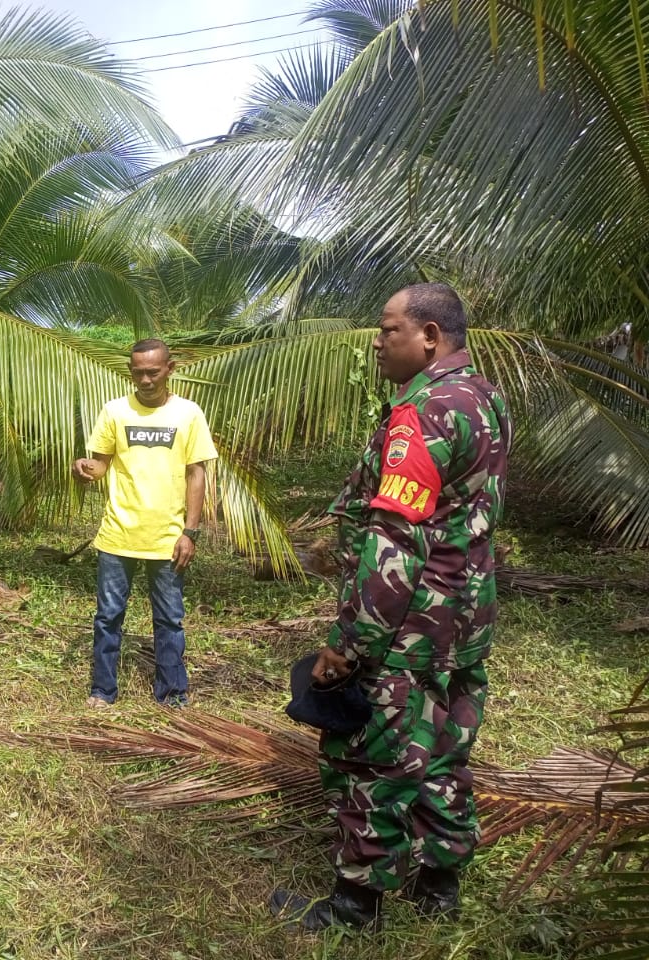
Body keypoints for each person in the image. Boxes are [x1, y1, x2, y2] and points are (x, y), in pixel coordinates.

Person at [270, 283, 512, 931]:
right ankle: (439, 885)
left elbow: (397, 542)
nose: (377, 343)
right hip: (466, 619)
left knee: (375, 756)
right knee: (444, 749)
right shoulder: (486, 401)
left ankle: (356, 908)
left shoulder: (423, 414)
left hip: (407, 625)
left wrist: (349, 643)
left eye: (388, 330)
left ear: (429, 336)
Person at [71, 339, 218, 709]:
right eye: (138, 373)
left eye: (153, 372)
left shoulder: (188, 414)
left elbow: (195, 474)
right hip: (118, 534)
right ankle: (103, 690)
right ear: (131, 372)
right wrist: (86, 471)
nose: (146, 380)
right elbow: (102, 463)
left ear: (170, 368)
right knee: (108, 616)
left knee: (169, 619)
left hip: (168, 538)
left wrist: (190, 532)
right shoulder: (115, 411)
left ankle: (172, 694)